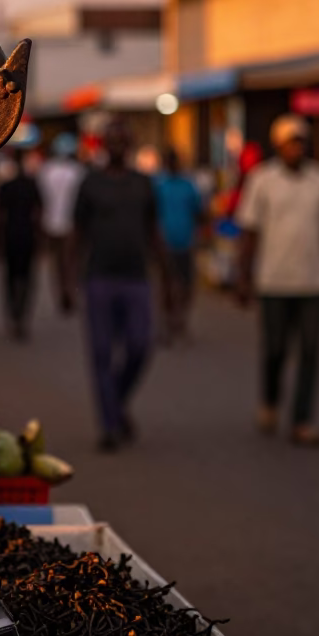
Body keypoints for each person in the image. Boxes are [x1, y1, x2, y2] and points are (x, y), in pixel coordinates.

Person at [236, 114, 319, 447]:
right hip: (274, 280)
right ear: (279, 145)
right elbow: (250, 232)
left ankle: (302, 419)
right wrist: (244, 277)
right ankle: (270, 400)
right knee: (275, 349)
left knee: (311, 351)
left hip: (314, 280)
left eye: (300, 141)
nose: (295, 148)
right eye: (289, 142)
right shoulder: (262, 180)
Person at [74, 120, 166, 451]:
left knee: (140, 346)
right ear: (103, 146)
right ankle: (109, 425)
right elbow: (77, 234)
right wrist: (68, 281)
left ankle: (117, 401)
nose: (115, 147)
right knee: (101, 353)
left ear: (129, 146)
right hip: (99, 277)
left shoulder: (143, 184)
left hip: (136, 278)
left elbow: (154, 232)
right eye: (110, 141)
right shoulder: (90, 183)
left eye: (121, 141)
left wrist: (168, 281)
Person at [154, 147, 203, 342]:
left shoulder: (188, 186)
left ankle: (180, 320)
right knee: (166, 284)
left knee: (186, 285)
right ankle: (168, 321)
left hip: (185, 242)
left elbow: (198, 212)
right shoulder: (158, 185)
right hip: (164, 244)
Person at [0, 150, 43, 340]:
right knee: (26, 279)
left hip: (10, 236)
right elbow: (38, 214)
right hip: (27, 236)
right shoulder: (32, 186)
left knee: (10, 278)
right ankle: (21, 316)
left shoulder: (7, 186)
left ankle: (14, 314)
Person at [37, 133, 84, 315]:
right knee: (71, 262)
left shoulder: (46, 170)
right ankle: (70, 293)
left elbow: (42, 199)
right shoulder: (78, 171)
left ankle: (61, 295)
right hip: (71, 224)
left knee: (56, 264)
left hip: (50, 224)